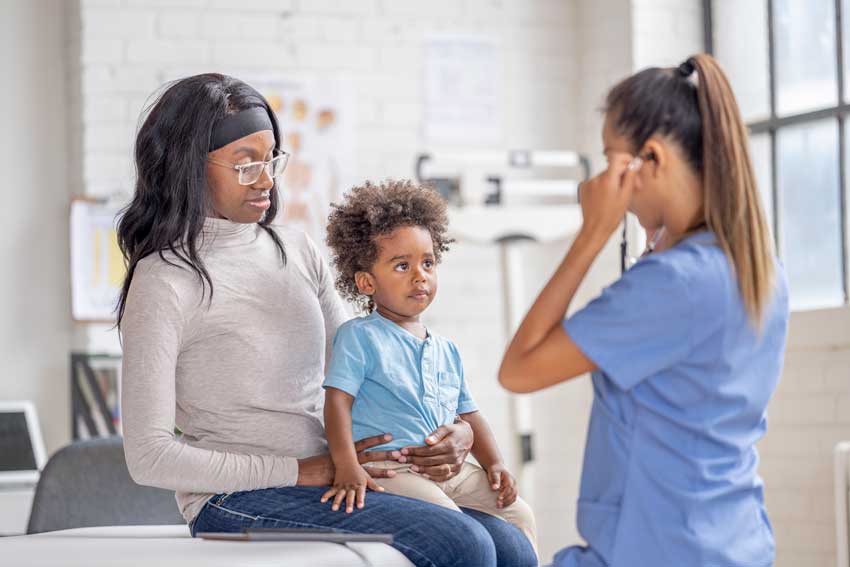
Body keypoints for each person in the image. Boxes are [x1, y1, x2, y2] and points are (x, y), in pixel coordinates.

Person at [117, 73, 537, 567]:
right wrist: (300, 470)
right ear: (188, 168)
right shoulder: (164, 280)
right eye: (245, 165)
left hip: (337, 467)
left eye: (271, 159)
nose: (267, 180)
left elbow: (367, 369)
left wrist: (458, 432)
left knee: (509, 543)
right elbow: (148, 456)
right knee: (461, 543)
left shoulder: (295, 248)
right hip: (234, 498)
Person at [499, 54, 789, 567]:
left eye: (611, 158)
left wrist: (592, 233)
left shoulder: (674, 283)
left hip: (657, 550)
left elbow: (519, 369)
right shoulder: (757, 268)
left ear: (650, 159)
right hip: (729, 543)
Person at [320, 180, 537, 554]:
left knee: (519, 514)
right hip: (398, 471)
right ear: (366, 282)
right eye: (402, 265)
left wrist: (495, 463)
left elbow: (470, 416)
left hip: (454, 471)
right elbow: (337, 403)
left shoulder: (446, 349)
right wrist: (346, 465)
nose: (420, 275)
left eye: (428, 262)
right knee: (456, 532)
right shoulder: (360, 337)